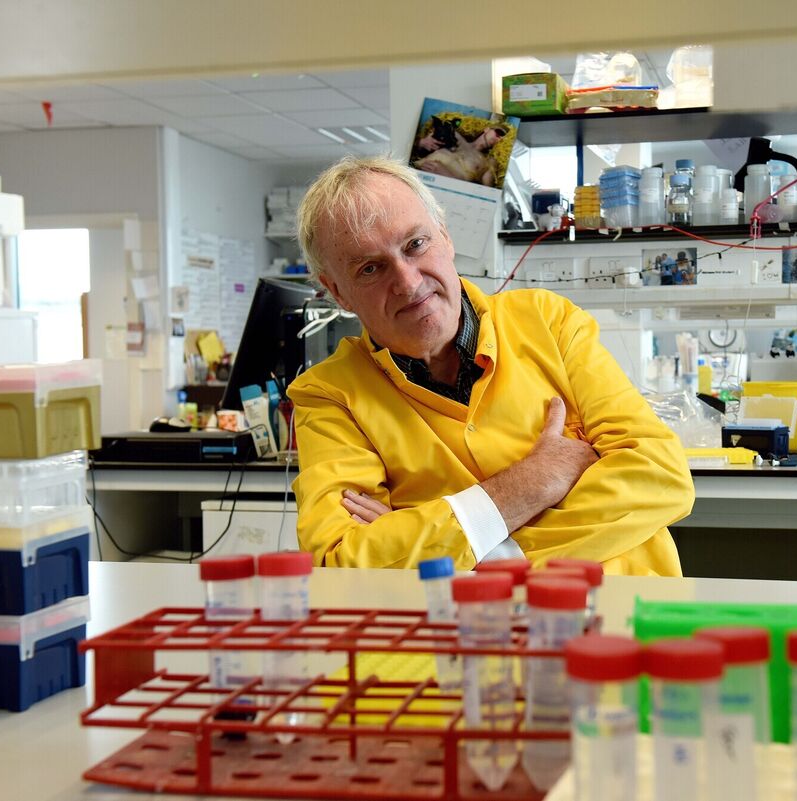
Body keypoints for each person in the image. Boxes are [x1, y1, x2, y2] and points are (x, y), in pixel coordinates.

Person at [288, 155, 693, 576]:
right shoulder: (329, 394)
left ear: (445, 237)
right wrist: (536, 481)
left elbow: (662, 478)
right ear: (338, 292)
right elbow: (340, 562)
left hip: (625, 623)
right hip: (462, 635)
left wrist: (478, 549)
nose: (408, 282)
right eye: (370, 268)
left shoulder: (549, 321)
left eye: (415, 244)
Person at [412, 124, 506, 187]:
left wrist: (448, 176)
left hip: (439, 189)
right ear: (487, 129)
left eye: (503, 139)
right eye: (499, 133)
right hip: (413, 176)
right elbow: (410, 146)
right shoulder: (454, 135)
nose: (499, 139)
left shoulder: (489, 162)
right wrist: (421, 142)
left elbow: (485, 196)